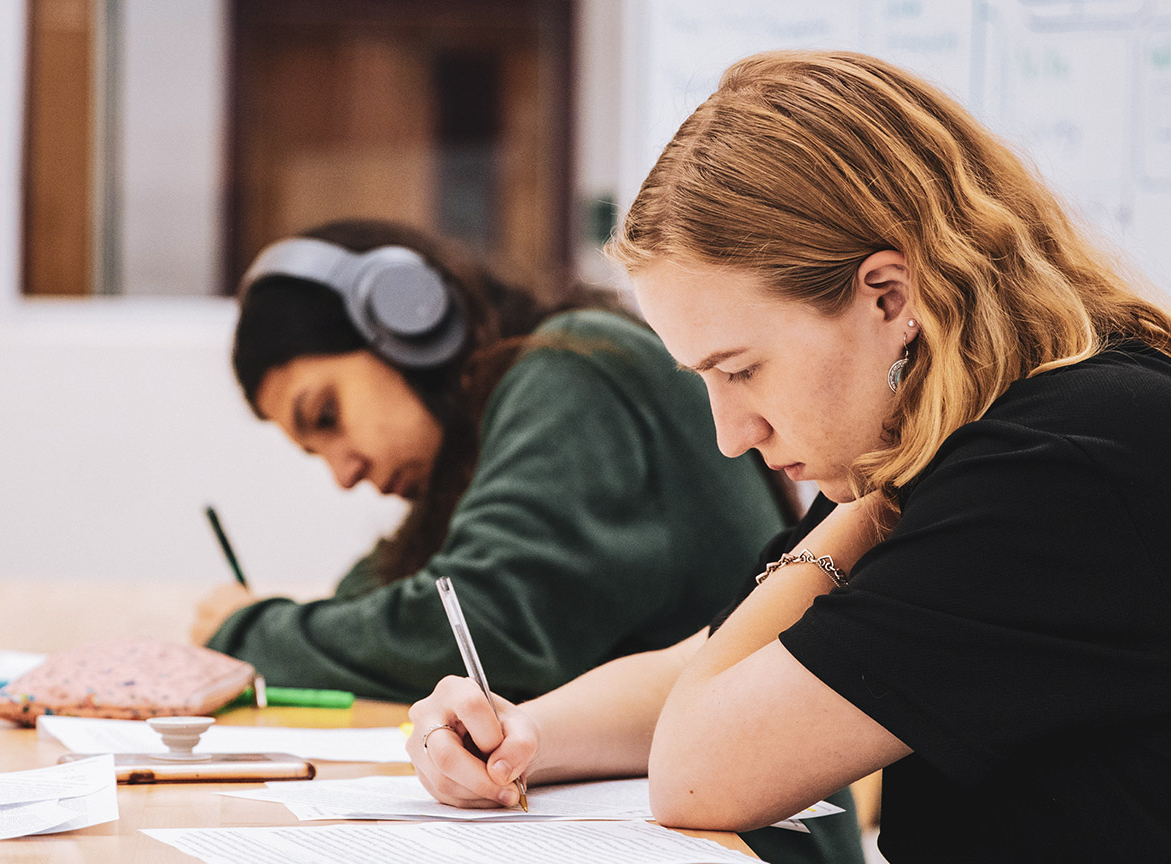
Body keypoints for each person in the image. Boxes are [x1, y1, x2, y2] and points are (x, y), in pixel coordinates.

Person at [404, 49, 1171, 862]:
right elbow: (726, 663)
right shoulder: (979, 432)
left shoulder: (1060, 462)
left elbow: (702, 770)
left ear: (891, 297)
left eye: (741, 370)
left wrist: (866, 506)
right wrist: (522, 733)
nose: (733, 435)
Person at [191, 218, 793, 706]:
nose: (344, 474)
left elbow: (483, 629)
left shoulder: (575, 370)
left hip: (742, 846)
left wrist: (246, 632)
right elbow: (372, 604)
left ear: (408, 319)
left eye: (327, 417)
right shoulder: (480, 444)